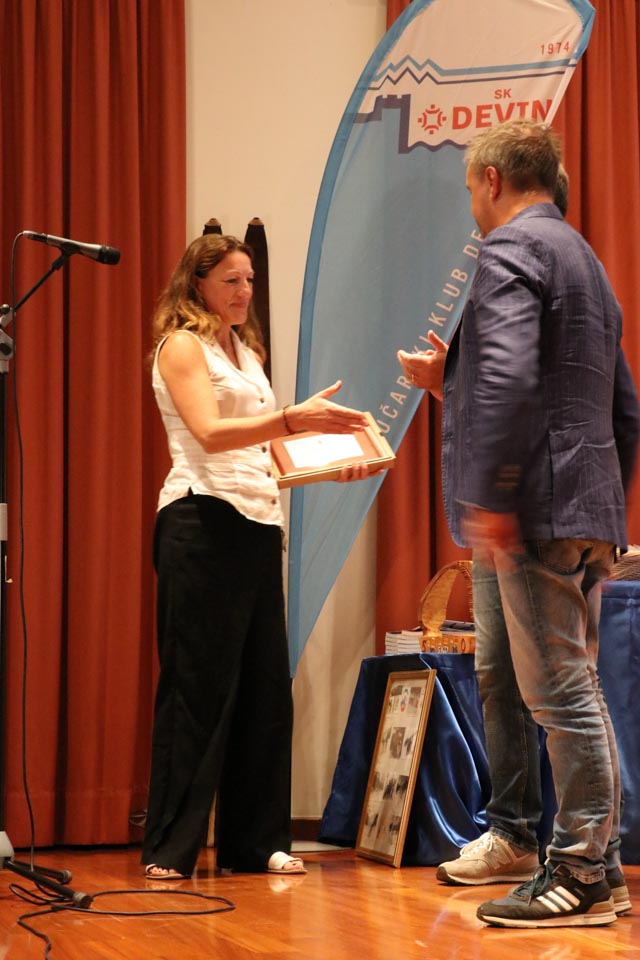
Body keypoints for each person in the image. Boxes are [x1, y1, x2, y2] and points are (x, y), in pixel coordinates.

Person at [398, 120, 639, 928]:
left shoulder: (509, 249)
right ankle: (599, 868)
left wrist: (498, 495)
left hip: (534, 505)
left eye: (470, 185)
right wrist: (605, 504)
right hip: (584, 504)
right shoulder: (585, 260)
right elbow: (623, 406)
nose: (471, 200)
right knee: (575, 689)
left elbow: (506, 376)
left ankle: (578, 874)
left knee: (561, 695)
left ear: (493, 179)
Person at [141, 233, 372, 881]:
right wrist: (295, 420)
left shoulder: (246, 352)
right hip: (200, 521)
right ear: (197, 284)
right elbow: (212, 435)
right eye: (231, 281)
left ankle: (255, 842)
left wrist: (332, 462)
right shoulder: (181, 346)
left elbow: (263, 452)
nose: (245, 291)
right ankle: (170, 848)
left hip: (258, 524)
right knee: (197, 689)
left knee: (265, 689)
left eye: (249, 280)